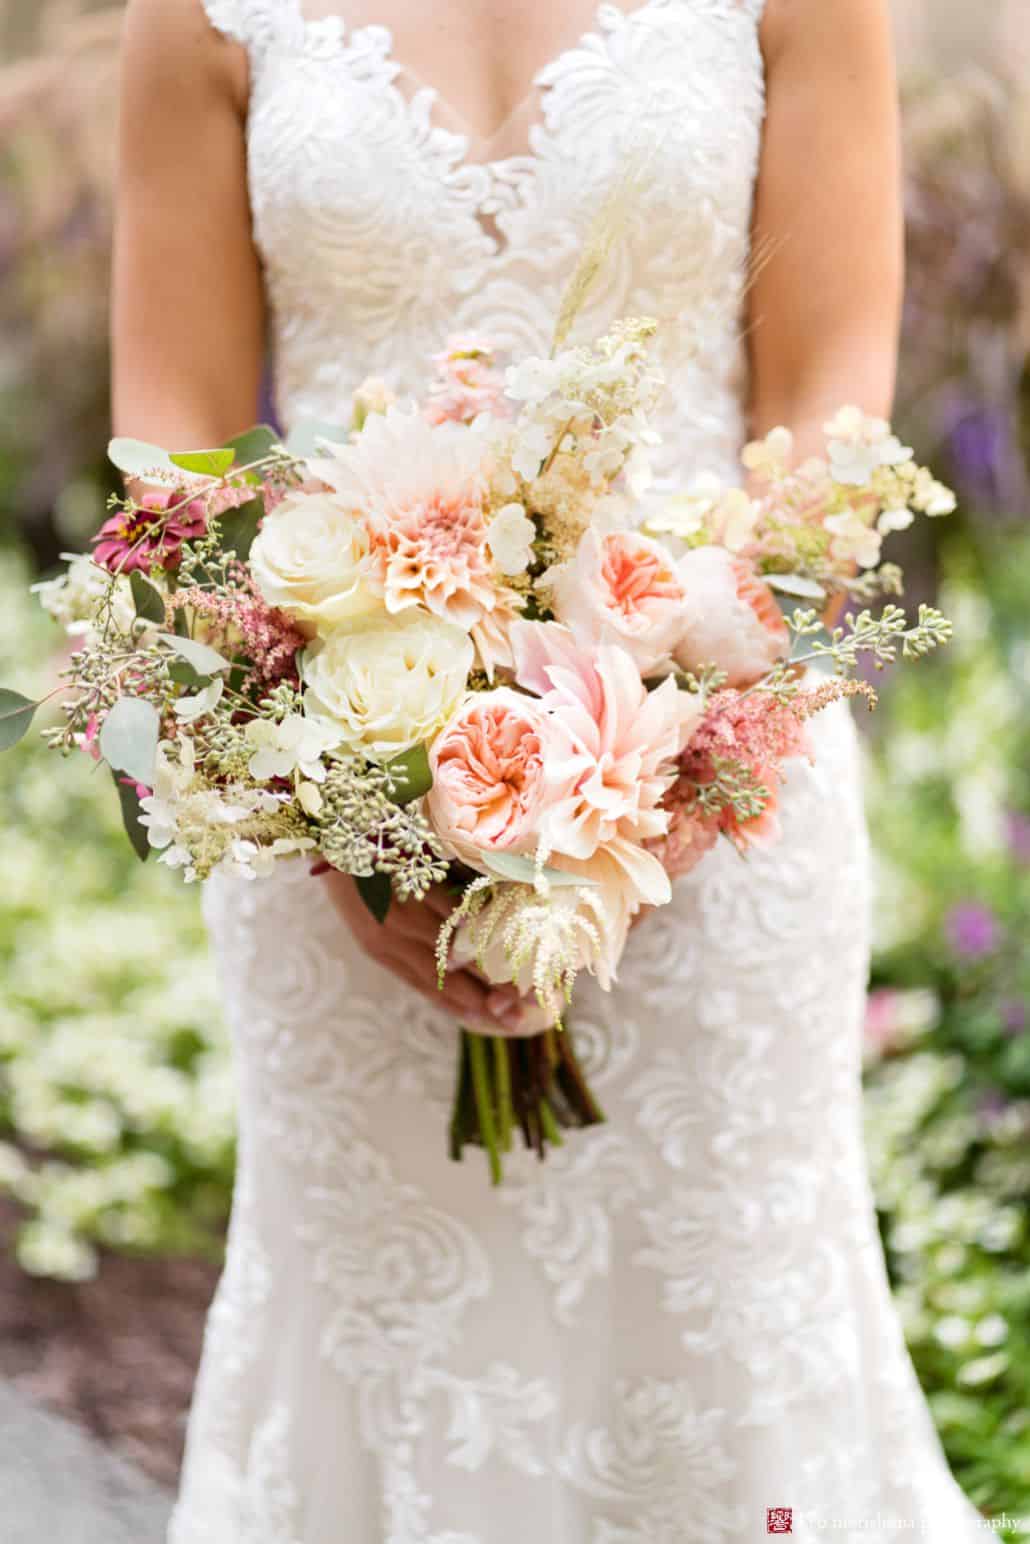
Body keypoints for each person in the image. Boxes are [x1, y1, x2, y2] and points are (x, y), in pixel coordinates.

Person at [112, 1, 989, 1538]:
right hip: (329, 800)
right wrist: (334, 820)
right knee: (377, 1339)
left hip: (725, 792)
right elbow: (171, 438)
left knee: (714, 1322)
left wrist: (692, 766)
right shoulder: (194, 15)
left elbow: (829, 399)